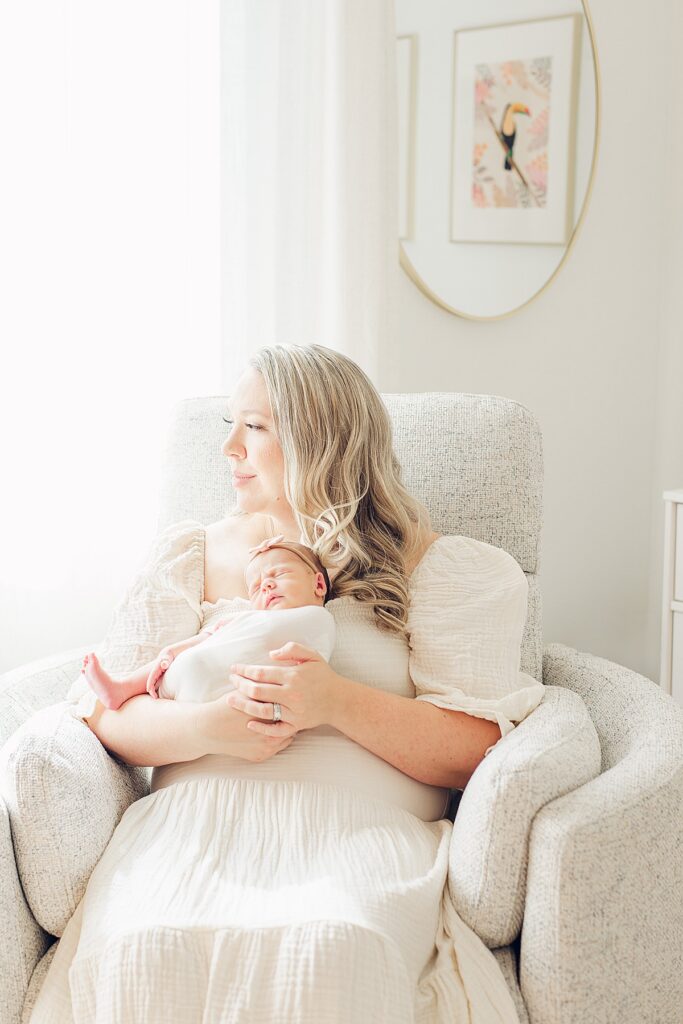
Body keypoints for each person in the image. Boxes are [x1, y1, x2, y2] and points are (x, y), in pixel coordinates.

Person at [30, 343, 545, 1023]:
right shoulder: (192, 554)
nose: (229, 451)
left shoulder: (434, 565)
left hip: (358, 837)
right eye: (230, 427)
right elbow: (105, 716)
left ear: (319, 439)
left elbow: (475, 747)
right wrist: (204, 728)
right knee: (144, 945)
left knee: (334, 947)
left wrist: (335, 702)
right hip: (191, 833)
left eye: (255, 427)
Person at [79, 536, 335, 711]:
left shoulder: (318, 621)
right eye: (255, 587)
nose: (266, 585)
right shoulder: (246, 618)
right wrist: (172, 651)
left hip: (230, 696)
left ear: (319, 584)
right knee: (160, 663)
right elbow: (208, 636)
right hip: (183, 679)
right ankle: (121, 689)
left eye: (279, 574)